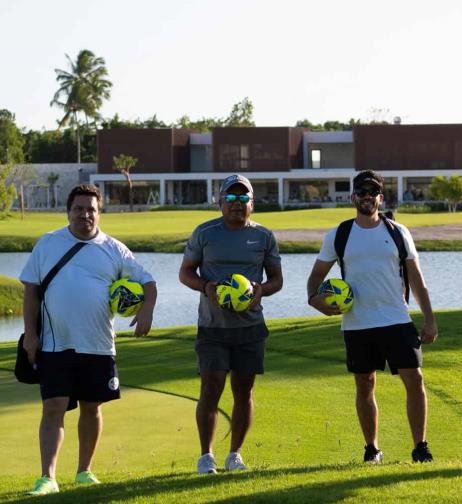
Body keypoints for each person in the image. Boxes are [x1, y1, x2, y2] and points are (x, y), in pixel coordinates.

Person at [20, 184, 157, 496]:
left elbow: (148, 282)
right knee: (53, 407)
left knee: (91, 407)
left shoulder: (114, 249)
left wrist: (147, 311)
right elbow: (31, 291)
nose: (85, 214)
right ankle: (48, 478)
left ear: (99, 212)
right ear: (68, 211)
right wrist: (31, 333)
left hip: (97, 344)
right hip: (55, 343)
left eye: (91, 209)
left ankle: (84, 472)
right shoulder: (49, 243)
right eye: (79, 209)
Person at [306, 169, 438, 463]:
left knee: (414, 379)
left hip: (397, 320)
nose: (367, 197)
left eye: (372, 192)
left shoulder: (398, 232)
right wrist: (316, 301)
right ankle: (372, 449)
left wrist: (429, 318)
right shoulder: (339, 235)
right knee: (364, 384)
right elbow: (315, 278)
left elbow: (416, 279)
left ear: (381, 197)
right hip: (357, 324)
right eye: (361, 192)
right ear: (353, 197)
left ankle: (421, 447)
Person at [179, 174, 283, 474]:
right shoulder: (205, 232)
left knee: (243, 390)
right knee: (210, 388)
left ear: (252, 203)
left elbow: (276, 279)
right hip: (212, 327)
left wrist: (261, 290)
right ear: (220, 200)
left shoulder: (264, 236)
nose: (237, 204)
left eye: (243, 198)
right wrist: (207, 287)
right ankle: (206, 456)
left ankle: (235, 454)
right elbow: (185, 272)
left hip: (250, 327)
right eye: (231, 198)